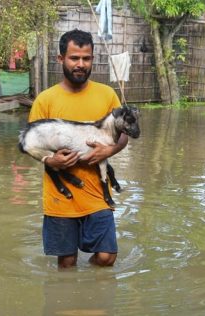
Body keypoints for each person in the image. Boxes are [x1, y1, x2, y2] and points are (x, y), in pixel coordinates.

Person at [27, 29, 129, 269]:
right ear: (60, 58)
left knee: (106, 257)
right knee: (67, 262)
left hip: (97, 194)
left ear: (93, 59)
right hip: (60, 197)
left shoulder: (107, 95)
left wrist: (109, 151)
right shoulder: (45, 100)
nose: (80, 64)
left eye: (87, 58)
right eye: (74, 58)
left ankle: (92, 294)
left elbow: (123, 136)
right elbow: (31, 144)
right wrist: (50, 160)